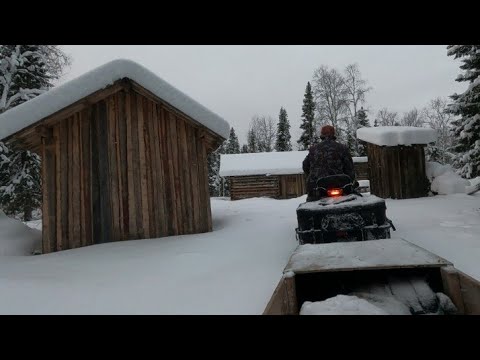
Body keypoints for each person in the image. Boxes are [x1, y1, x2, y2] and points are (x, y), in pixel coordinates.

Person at [302, 125, 356, 201]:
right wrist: (350, 181)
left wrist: (312, 175)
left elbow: (305, 166)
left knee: (312, 203)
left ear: (321, 134)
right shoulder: (342, 148)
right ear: (333, 134)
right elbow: (350, 168)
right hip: (340, 185)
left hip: (317, 188)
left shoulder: (314, 149)